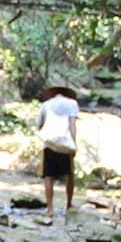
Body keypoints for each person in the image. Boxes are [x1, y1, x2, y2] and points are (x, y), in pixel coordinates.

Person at [37, 84, 81, 222]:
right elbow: (72, 125)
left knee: (48, 175)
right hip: (65, 142)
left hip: (49, 143)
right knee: (69, 174)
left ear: (53, 94)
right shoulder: (72, 104)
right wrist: (74, 144)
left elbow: (39, 124)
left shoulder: (46, 104)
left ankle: (50, 209)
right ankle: (68, 203)